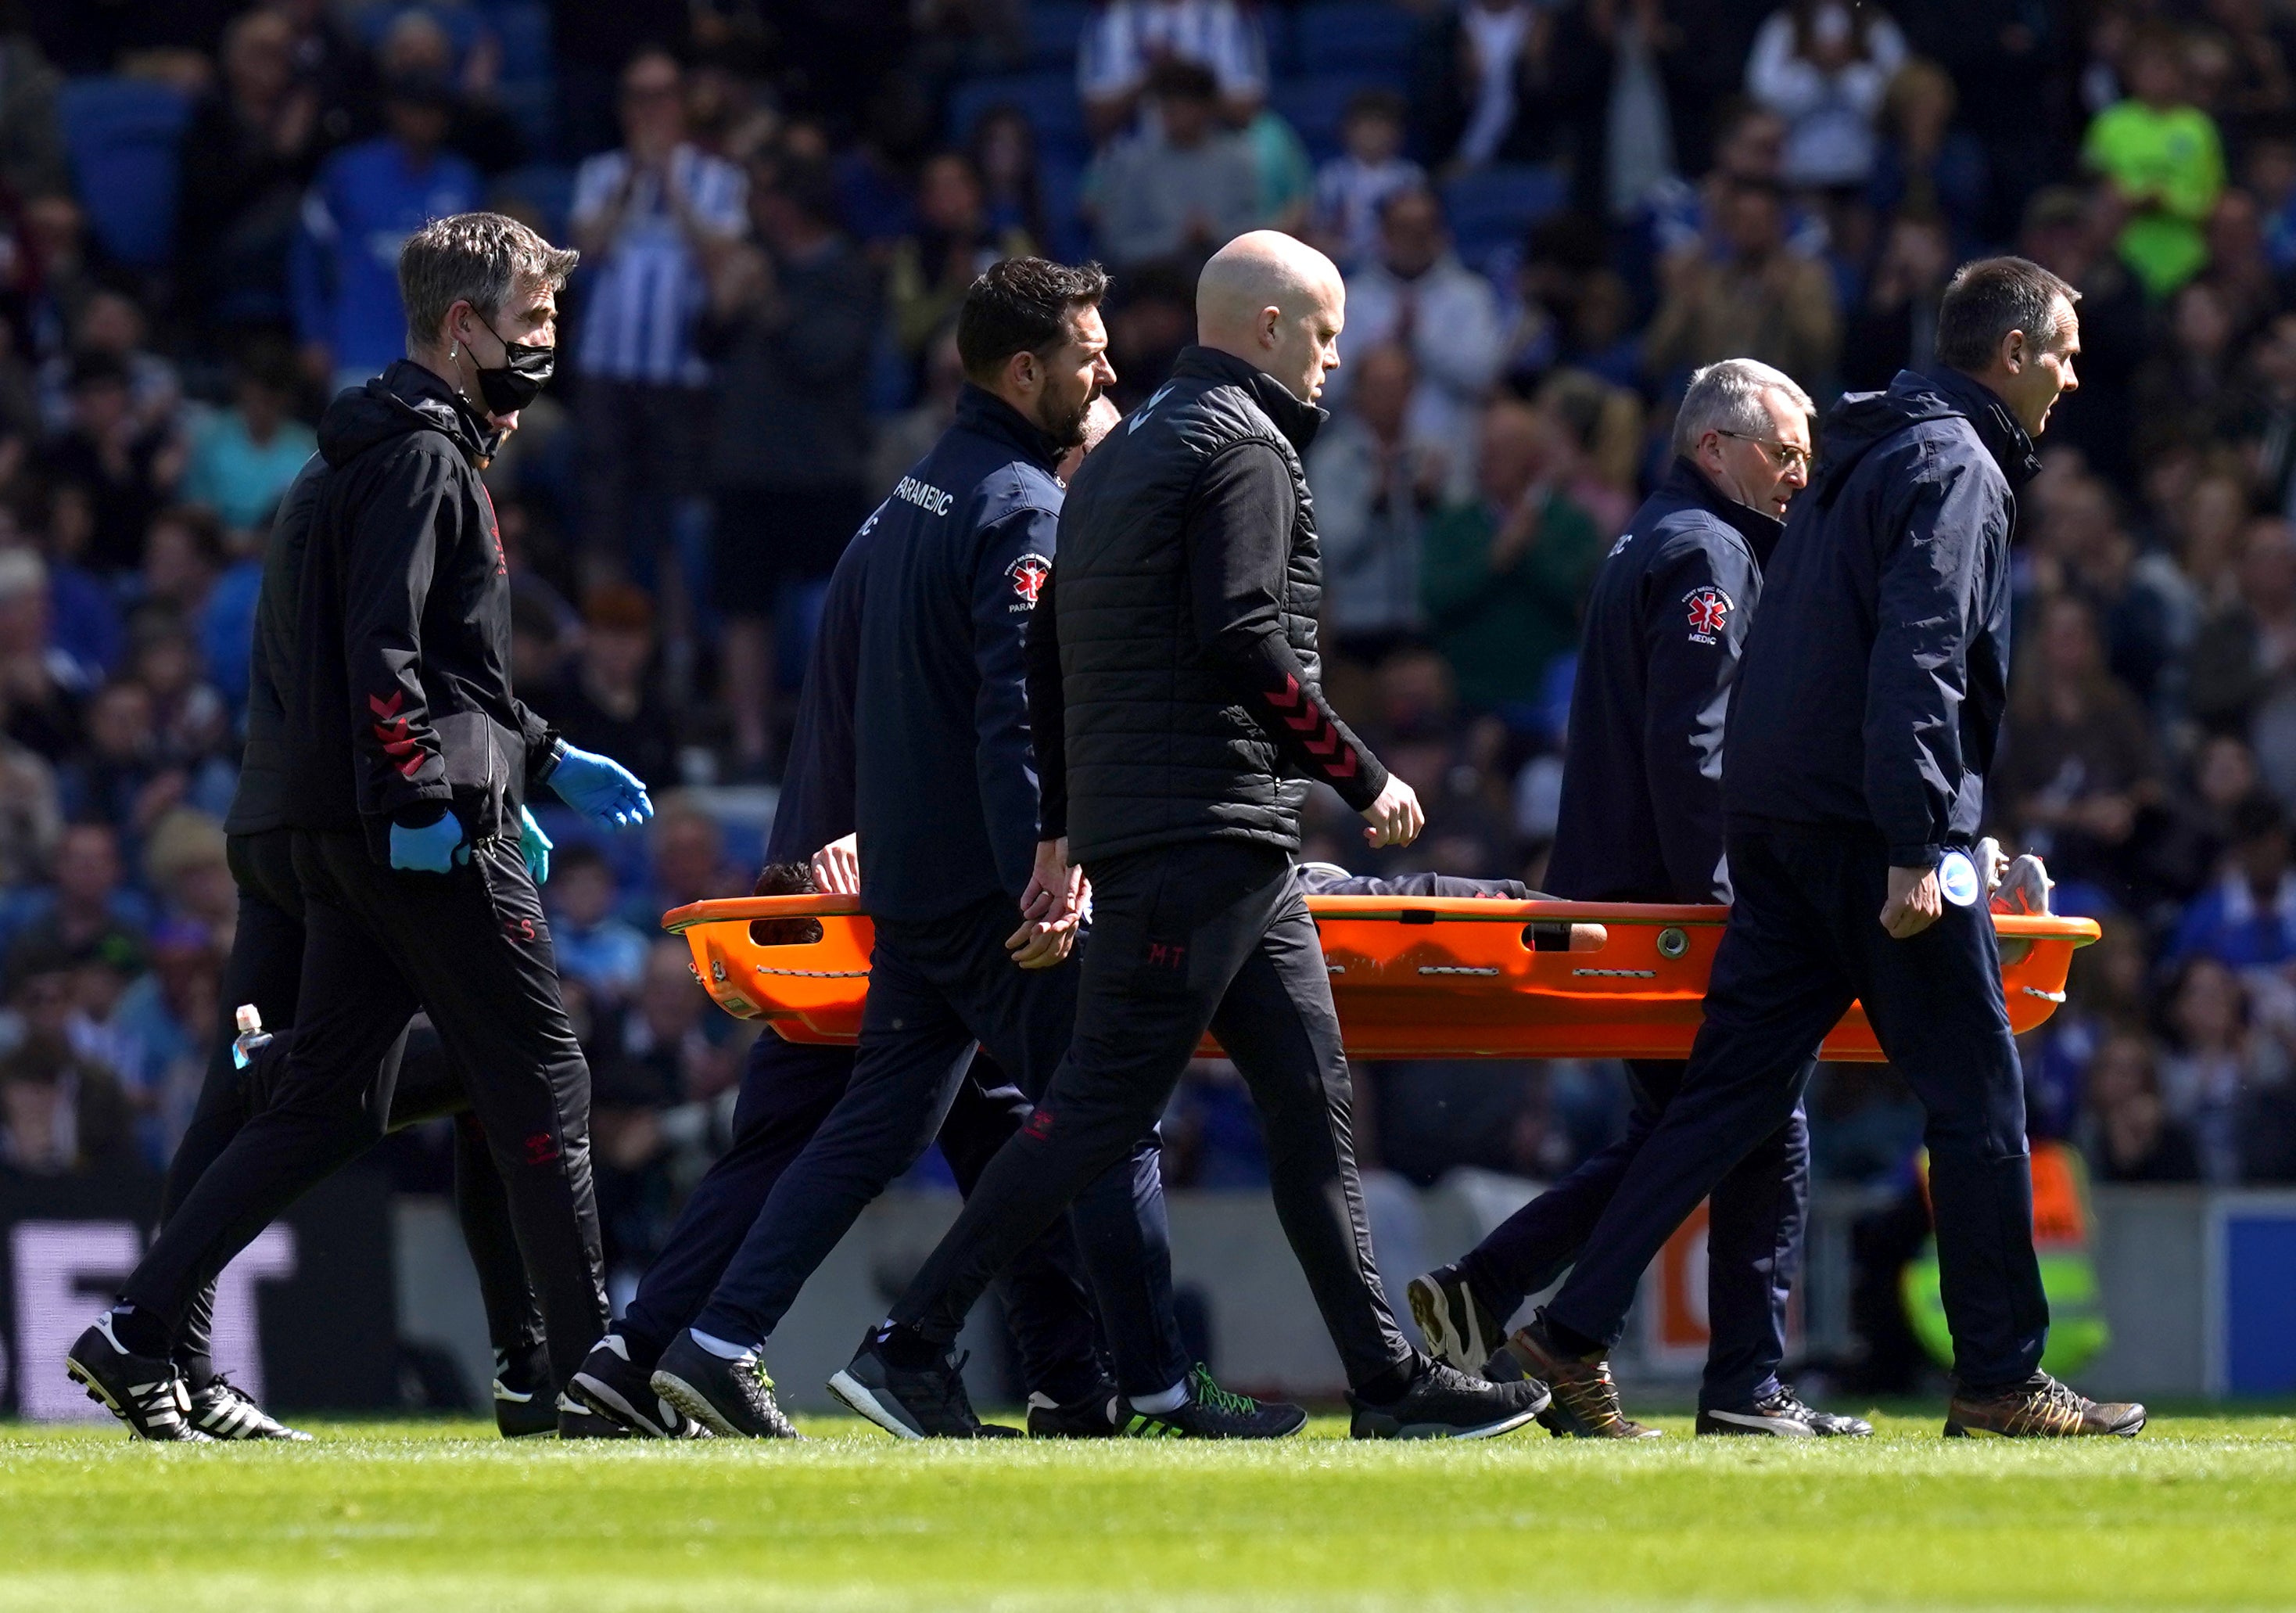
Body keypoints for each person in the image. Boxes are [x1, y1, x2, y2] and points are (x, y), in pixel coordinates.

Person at [834, 232, 1550, 1443]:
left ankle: (1386, 1378)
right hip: (1203, 831)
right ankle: (910, 1345)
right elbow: (1240, 635)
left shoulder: (1124, 451)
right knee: (1101, 1108)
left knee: (1309, 1105)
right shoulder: (1248, 447)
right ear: (1268, 329)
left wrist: (1063, 829)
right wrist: (1359, 769)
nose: (1336, 360)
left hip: (1206, 838)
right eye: (1324, 336)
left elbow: (1049, 654)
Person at [636, 259, 1304, 1442]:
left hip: (915, 884)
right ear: (1024, 370)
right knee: (1108, 1116)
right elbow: (1014, 715)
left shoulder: (917, 495)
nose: (1110, 370)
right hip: (996, 895)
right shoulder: (1020, 509)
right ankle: (1155, 1387)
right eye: (1090, 354)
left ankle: (717, 1341)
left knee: (876, 1127)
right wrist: (1048, 868)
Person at [1493, 257, 2147, 1439]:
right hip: (1870, 831)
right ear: (2007, 354)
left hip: (1783, 824)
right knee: (1979, 1093)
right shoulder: (1956, 464)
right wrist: (1921, 835)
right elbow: (1922, 652)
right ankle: (1999, 1374)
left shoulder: (1863, 453)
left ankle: (1570, 1328)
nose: (2073, 371)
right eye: (2059, 350)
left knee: (1723, 1097)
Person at [65, 214, 652, 1442]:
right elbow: (384, 655)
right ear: (463, 325)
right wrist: (428, 803)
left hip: (328, 820)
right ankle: (589, 1374)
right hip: (397, 825)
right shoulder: (422, 459)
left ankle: (142, 1328)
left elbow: (433, 661)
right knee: (542, 1068)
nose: (549, 341)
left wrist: (535, 758)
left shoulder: (364, 453)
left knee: (319, 1097)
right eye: (534, 319)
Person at [566, 390, 1181, 1442]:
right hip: (878, 876)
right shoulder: (1003, 524)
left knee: (976, 1125)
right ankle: (688, 1348)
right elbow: (958, 717)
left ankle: (1062, 1381)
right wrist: (851, 840)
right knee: (951, 1119)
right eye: (1105, 458)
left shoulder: (907, 516)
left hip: (872, 865)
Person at [1405, 358, 1869, 1439]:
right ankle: (1714, 1374)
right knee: (1753, 1121)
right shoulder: (1706, 552)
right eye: (1785, 451)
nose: (1803, 473)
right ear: (1716, 447)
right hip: (1672, 912)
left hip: (1629, 898)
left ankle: (1507, 1289)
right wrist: (1729, 904)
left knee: (1697, 1127)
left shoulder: (1652, 541)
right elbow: (1692, 750)